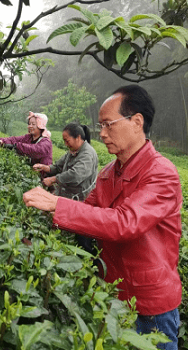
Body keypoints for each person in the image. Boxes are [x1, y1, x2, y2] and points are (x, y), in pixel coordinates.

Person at [23, 85, 182, 349]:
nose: (102, 133)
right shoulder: (109, 172)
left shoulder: (161, 173)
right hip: (113, 294)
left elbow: (124, 222)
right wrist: (40, 237)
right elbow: (87, 212)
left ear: (137, 122)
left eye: (108, 124)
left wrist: (56, 204)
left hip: (150, 303)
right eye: (100, 126)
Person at [33, 123, 98, 201]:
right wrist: (44, 167)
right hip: (66, 194)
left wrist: (54, 179)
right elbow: (58, 167)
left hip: (79, 200)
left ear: (78, 137)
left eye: (67, 141)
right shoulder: (73, 151)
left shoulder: (87, 154)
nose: (65, 144)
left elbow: (75, 175)